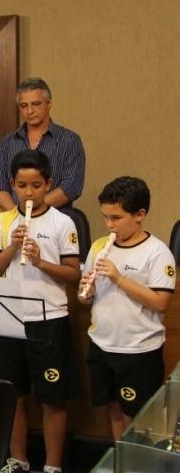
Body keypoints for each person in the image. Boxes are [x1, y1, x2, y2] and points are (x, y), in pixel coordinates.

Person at [0, 149, 81, 473]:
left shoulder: (62, 223)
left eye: (36, 185)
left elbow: (74, 274)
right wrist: (12, 248)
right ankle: (18, 462)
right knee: (13, 395)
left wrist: (41, 261)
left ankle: (54, 468)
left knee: (52, 397)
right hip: (9, 317)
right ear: (12, 184)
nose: (28, 193)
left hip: (48, 319)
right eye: (22, 185)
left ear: (48, 184)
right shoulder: (3, 221)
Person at [78, 177, 175, 441]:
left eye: (117, 218)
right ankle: (120, 470)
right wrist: (89, 292)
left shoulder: (157, 252)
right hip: (102, 343)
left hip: (138, 349)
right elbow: (84, 300)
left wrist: (119, 278)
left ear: (140, 214)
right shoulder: (99, 246)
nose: (109, 225)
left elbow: (160, 302)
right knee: (114, 409)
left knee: (140, 418)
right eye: (106, 217)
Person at [0, 78, 86, 216]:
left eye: (36, 104)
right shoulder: (7, 143)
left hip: (56, 224)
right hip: (16, 224)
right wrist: (17, 215)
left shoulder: (70, 141)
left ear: (49, 104)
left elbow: (71, 187)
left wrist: (34, 211)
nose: (29, 111)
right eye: (23, 105)